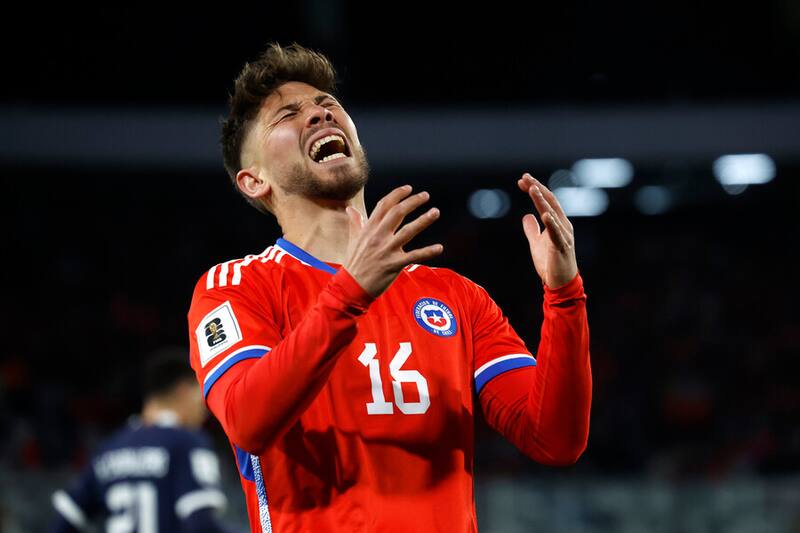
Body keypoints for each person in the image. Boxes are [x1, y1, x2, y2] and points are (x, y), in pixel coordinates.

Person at [187, 43, 592, 532]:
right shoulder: (236, 287)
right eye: (288, 115)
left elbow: (554, 438)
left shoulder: (455, 296)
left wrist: (564, 295)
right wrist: (350, 293)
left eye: (327, 105)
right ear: (254, 181)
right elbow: (248, 419)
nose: (319, 114)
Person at [50, 348, 234, 532]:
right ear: (183, 390)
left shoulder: (109, 448)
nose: (205, 406)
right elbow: (201, 524)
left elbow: (64, 522)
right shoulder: (187, 443)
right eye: (200, 392)